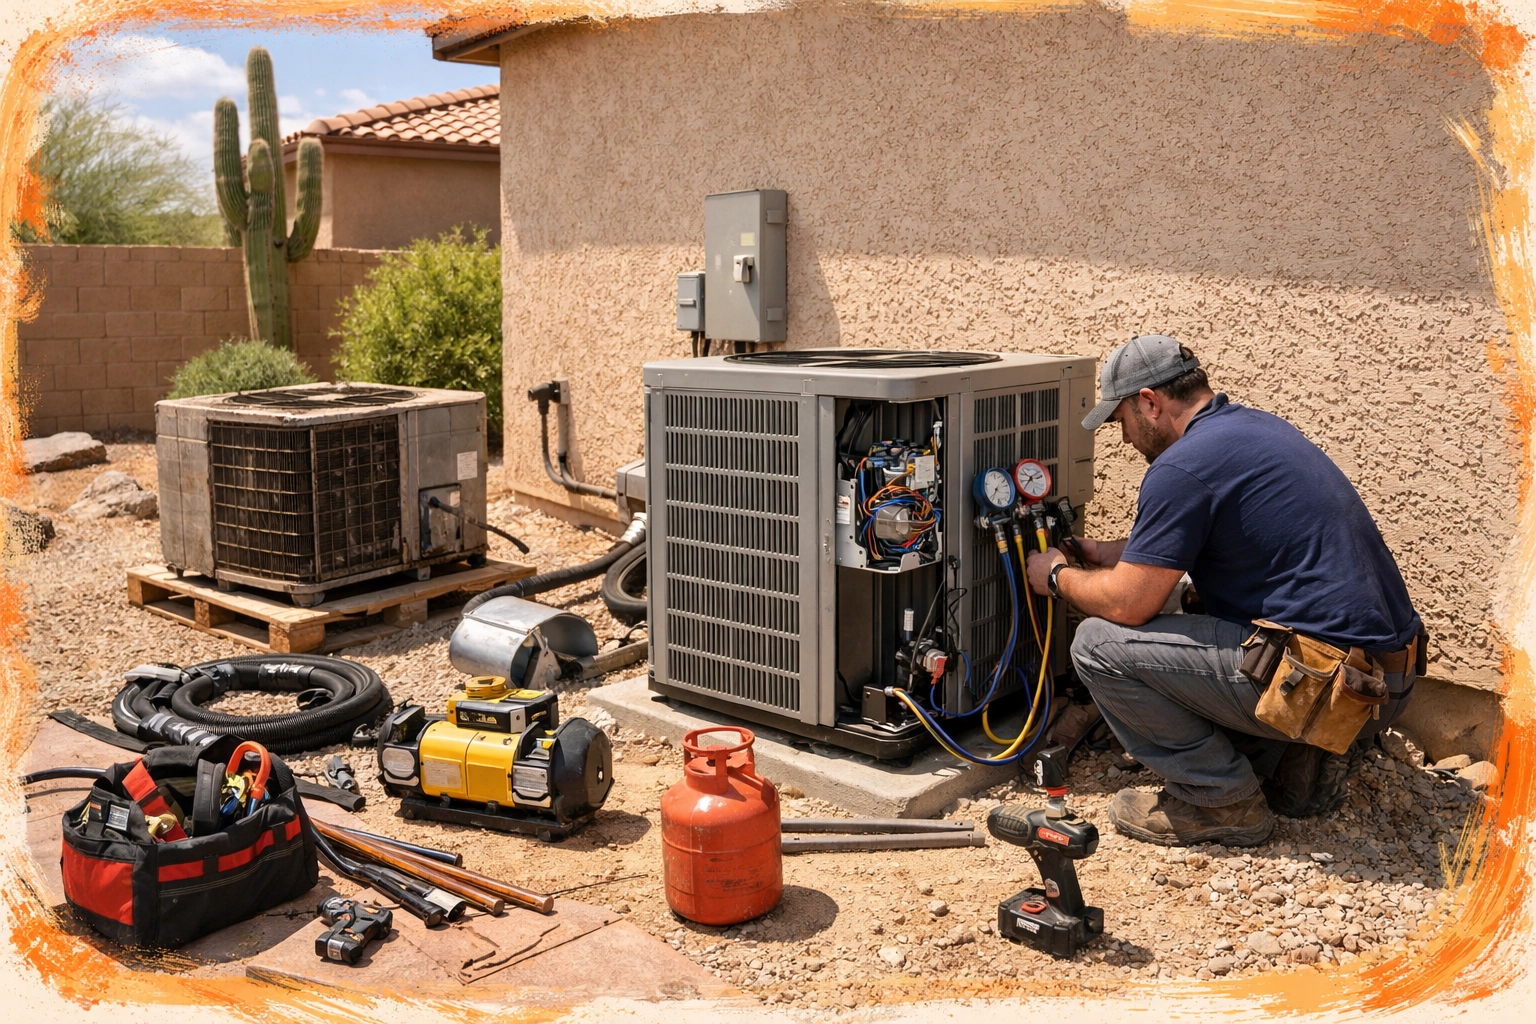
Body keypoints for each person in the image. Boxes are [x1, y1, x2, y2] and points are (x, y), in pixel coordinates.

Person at [1025, 335, 1422, 847]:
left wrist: (1056, 575)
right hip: (1383, 682)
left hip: (1325, 685)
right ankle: (1295, 758)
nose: (1124, 438)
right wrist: (1112, 553)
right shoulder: (1253, 429)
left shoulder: (1181, 466)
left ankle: (1221, 800)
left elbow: (1129, 603)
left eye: (1120, 419)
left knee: (1098, 645)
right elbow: (1223, 538)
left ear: (1150, 401)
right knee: (1193, 596)